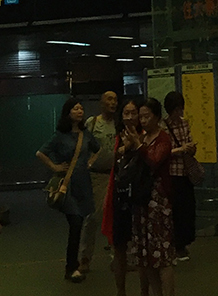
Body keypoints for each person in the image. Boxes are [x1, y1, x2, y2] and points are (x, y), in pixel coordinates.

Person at [38, 98, 101, 282]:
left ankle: (73, 265)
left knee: (79, 223)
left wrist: (90, 162)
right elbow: (40, 153)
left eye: (81, 108)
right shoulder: (60, 136)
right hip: (68, 185)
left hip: (83, 183)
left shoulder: (86, 134)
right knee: (75, 222)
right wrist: (55, 167)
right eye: (75, 108)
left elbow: (98, 149)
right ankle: (71, 266)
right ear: (68, 113)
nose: (80, 111)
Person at [131, 96, 176, 296]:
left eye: (147, 116)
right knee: (147, 255)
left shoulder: (163, 138)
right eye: (140, 117)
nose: (143, 120)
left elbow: (154, 160)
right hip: (142, 199)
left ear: (157, 117)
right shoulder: (142, 137)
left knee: (162, 254)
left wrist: (138, 146)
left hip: (159, 200)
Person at [105, 98, 142, 296]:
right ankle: (121, 291)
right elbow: (113, 160)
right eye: (126, 113)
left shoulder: (145, 135)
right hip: (121, 196)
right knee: (119, 246)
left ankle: (145, 290)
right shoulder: (118, 136)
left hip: (140, 196)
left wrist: (134, 144)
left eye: (133, 113)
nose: (129, 117)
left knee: (143, 247)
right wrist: (124, 147)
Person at [82, 92, 120, 274]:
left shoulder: (119, 124)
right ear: (101, 103)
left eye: (115, 100)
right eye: (109, 99)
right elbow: (82, 144)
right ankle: (85, 258)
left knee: (116, 217)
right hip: (96, 176)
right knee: (92, 217)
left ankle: (117, 258)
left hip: (116, 175)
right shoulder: (92, 123)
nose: (113, 103)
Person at [164, 90, 198, 261]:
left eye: (180, 109)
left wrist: (191, 148)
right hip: (172, 173)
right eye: (176, 109)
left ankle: (184, 243)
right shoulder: (164, 126)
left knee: (187, 209)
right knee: (175, 211)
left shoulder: (185, 123)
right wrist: (181, 149)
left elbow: (189, 141)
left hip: (185, 172)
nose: (179, 113)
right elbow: (164, 151)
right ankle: (175, 245)